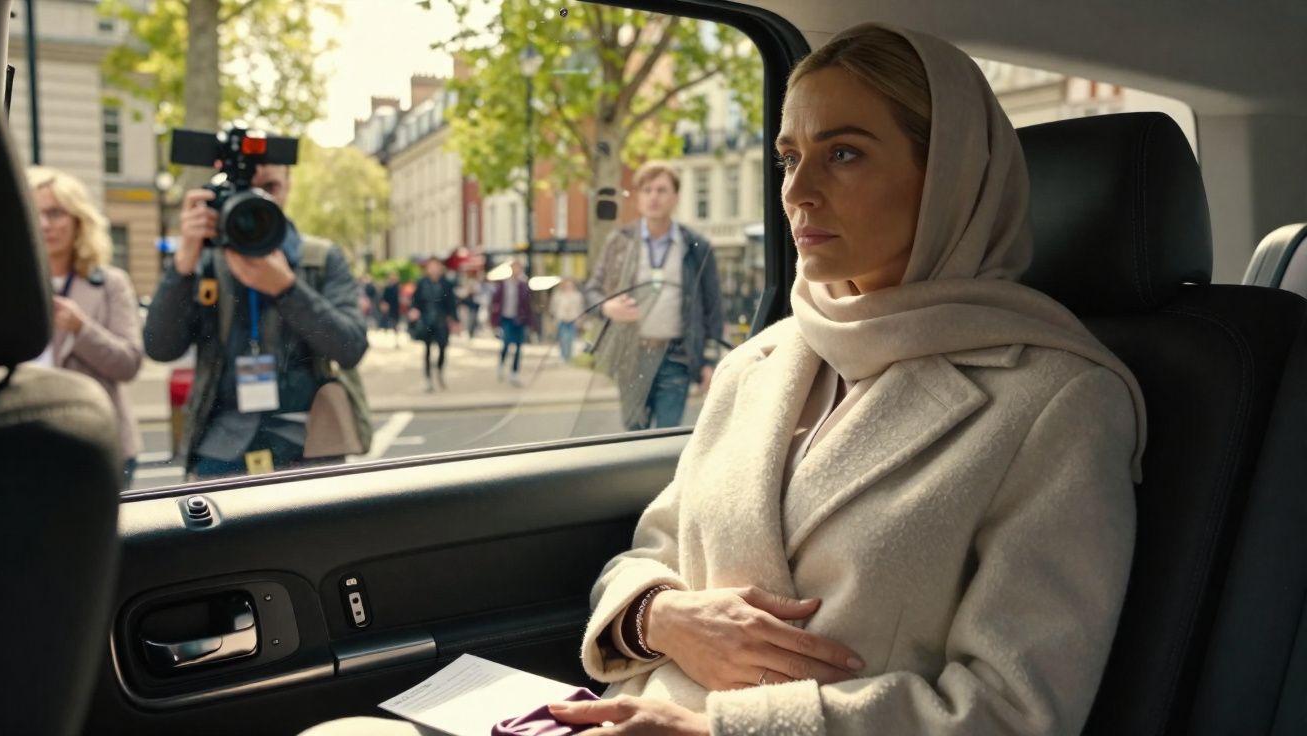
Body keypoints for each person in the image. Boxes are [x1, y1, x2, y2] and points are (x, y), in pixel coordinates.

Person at [302, 22, 1147, 736]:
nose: (798, 191)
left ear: (951, 178)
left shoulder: (1058, 402)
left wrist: (719, 730)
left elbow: (1012, 710)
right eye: (787, 156)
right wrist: (658, 616)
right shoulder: (764, 361)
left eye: (844, 153)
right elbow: (652, 552)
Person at [144, 159, 367, 479]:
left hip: (308, 445)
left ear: (289, 186)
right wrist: (183, 264)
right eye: (247, 189)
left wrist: (288, 289)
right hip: (220, 445)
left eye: (270, 188)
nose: (258, 201)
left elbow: (351, 348)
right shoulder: (206, 261)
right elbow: (160, 347)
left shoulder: (319, 258)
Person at [26, 166, 144, 489]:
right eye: (35, 213)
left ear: (79, 220)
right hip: (27, 444)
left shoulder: (110, 284)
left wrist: (82, 328)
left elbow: (129, 363)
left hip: (97, 444)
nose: (44, 224)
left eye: (55, 213)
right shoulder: (13, 285)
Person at [584, 161, 723, 431]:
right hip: (631, 356)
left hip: (677, 357)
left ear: (675, 197)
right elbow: (591, 292)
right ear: (637, 198)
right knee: (634, 436)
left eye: (661, 190)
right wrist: (608, 307)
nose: (653, 197)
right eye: (646, 190)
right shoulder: (619, 241)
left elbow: (713, 309)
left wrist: (709, 361)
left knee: (665, 438)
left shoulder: (696, 245)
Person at [408, 257, 459, 391]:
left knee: (443, 348)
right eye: (431, 266)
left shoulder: (446, 284)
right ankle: (428, 379)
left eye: (436, 266)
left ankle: (440, 371)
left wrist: (454, 320)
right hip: (426, 321)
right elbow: (415, 300)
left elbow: (452, 303)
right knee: (427, 350)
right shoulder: (422, 283)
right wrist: (414, 310)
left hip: (441, 321)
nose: (434, 269)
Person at [490, 260, 534, 387]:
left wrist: (530, 323)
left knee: (519, 347)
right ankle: (501, 365)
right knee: (506, 343)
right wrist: (494, 322)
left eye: (518, 268)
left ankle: (514, 373)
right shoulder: (503, 285)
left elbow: (528, 306)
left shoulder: (523, 285)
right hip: (506, 318)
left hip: (519, 320)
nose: (516, 271)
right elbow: (495, 304)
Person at [549, 277, 585, 363]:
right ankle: (563, 356)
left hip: (573, 320)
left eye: (570, 286)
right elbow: (553, 307)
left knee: (570, 339)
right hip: (562, 319)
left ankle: (568, 357)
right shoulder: (558, 295)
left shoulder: (577, 296)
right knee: (563, 339)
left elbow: (580, 308)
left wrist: (580, 320)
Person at [379, 272, 402, 346]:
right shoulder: (388, 288)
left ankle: (396, 340)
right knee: (388, 322)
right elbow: (384, 298)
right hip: (389, 308)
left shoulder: (398, 287)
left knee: (395, 324)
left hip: (396, 308)